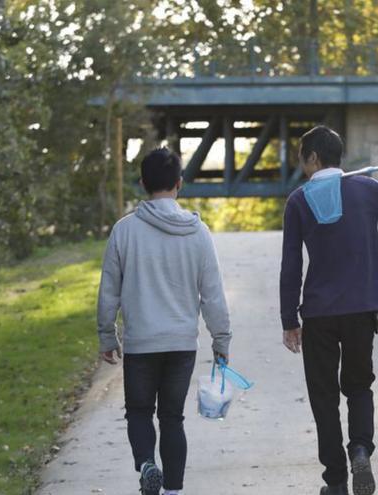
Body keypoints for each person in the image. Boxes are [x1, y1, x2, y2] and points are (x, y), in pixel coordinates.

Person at [279, 126, 378, 495]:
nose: (303, 167)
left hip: (318, 316)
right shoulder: (368, 188)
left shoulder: (298, 200)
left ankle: (336, 483)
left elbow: (291, 265)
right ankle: (360, 449)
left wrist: (288, 320)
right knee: (359, 388)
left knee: (324, 398)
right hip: (362, 310)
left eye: (303, 159)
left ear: (313, 158)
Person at [97, 148, 231, 495]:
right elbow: (212, 295)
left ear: (143, 183)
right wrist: (221, 339)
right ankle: (172, 490)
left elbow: (109, 288)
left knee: (139, 412)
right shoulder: (198, 233)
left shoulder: (124, 231)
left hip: (142, 343)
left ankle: (146, 466)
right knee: (173, 418)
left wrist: (107, 335)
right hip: (181, 343)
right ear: (179, 184)